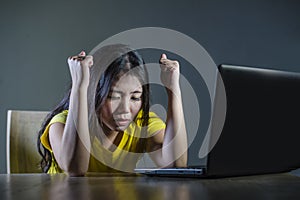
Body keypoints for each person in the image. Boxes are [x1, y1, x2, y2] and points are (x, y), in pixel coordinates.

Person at [37, 44, 187, 176]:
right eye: (114, 97)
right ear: (94, 93)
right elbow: (75, 169)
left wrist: (173, 89)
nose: (125, 110)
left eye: (135, 98)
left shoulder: (142, 123)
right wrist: (80, 86)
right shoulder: (60, 124)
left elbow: (175, 164)